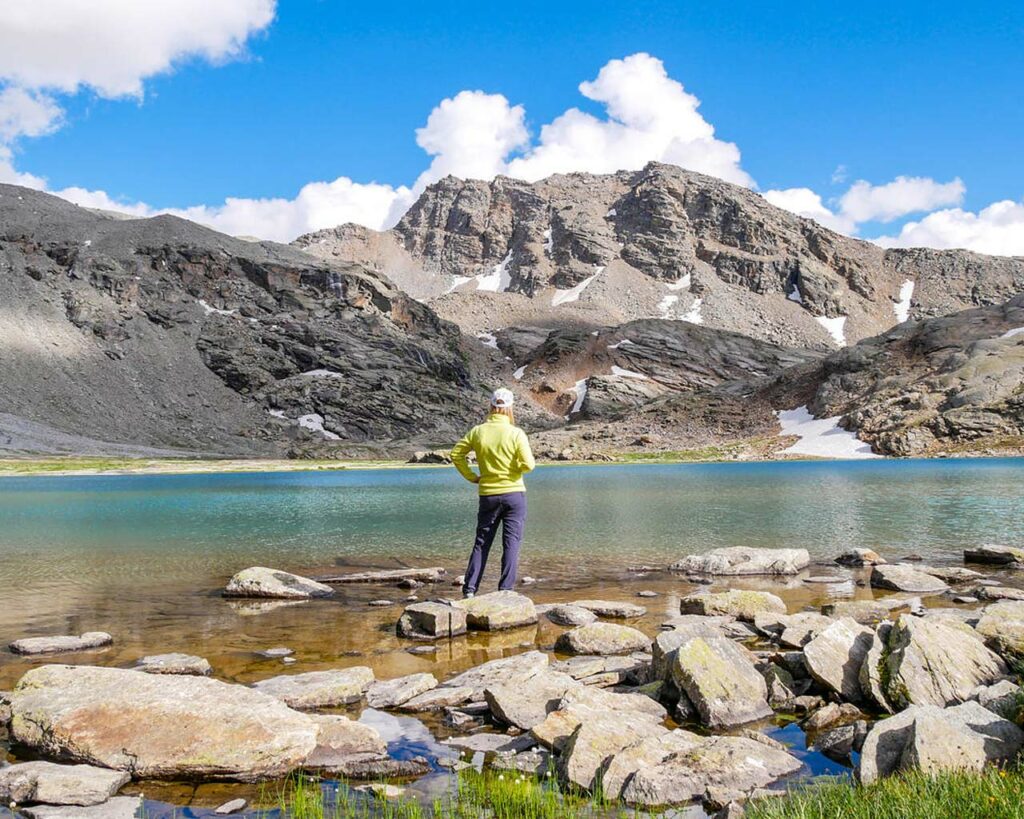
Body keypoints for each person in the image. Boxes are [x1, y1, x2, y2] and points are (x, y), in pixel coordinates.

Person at [450, 388, 535, 598]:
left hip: (488, 494)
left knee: (482, 542)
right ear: (510, 408)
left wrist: (472, 477)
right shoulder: (516, 433)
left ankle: (470, 590)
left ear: (491, 406)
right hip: (514, 494)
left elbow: (456, 454)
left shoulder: (478, 431)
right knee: (511, 544)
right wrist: (513, 469)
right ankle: (505, 591)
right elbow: (529, 465)